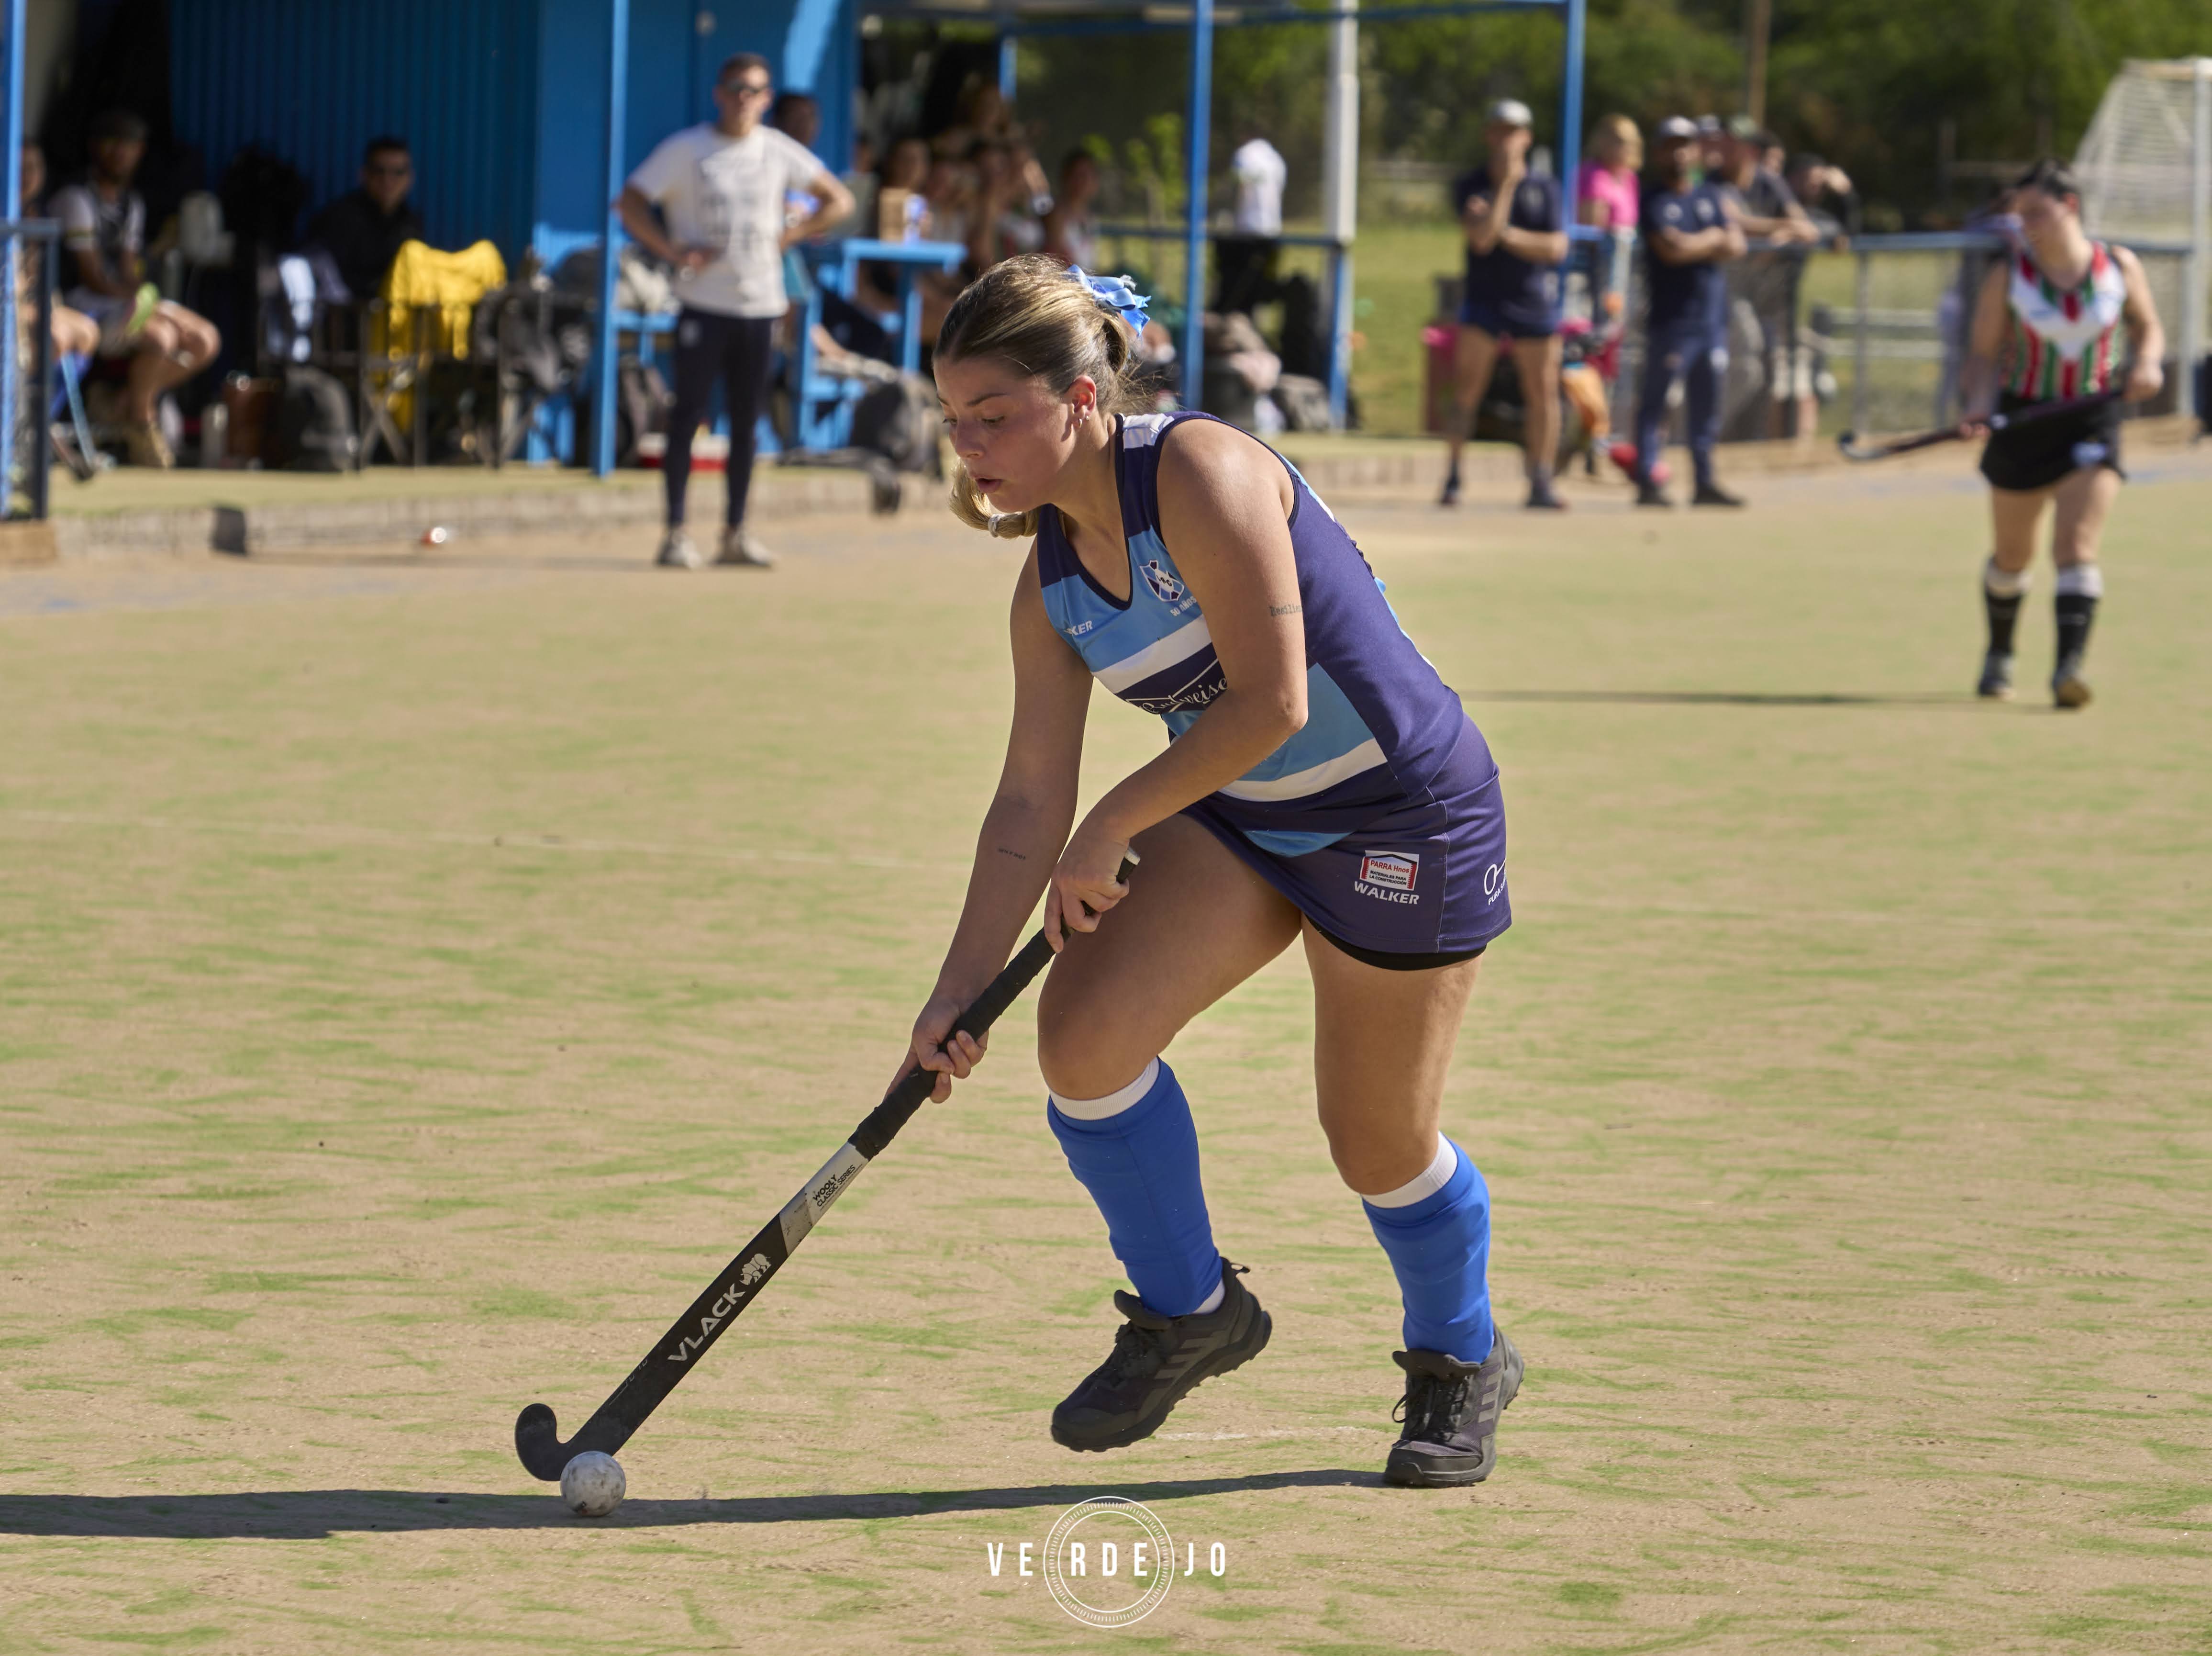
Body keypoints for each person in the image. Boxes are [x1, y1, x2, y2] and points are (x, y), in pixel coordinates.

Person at [915, 255, 1521, 1486]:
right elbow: (1030, 801)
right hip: (1244, 812)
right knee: (1080, 1039)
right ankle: (1190, 1311)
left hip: (1400, 815)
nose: (968, 445)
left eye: (995, 416)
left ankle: (1459, 1357)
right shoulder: (1049, 586)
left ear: (1083, 398)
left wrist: (1110, 826)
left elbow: (1274, 703)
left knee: (1375, 1140)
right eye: (952, 419)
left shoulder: (1199, 469)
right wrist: (955, 993)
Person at [620, 54, 854, 571]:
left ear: (767, 99)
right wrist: (672, 250)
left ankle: (736, 531)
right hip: (703, 304)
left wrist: (787, 236)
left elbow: (838, 199)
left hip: (760, 305)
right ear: (718, 94)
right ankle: (676, 532)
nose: (743, 99)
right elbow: (631, 202)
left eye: (754, 90)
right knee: (686, 418)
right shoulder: (688, 149)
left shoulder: (776, 151)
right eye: (734, 89)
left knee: (747, 424)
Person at [1959, 159, 2163, 709]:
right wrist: (1978, 406)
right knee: (2012, 557)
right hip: (2024, 419)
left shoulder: (2117, 266)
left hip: (2091, 419)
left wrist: (2147, 363)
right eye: (2019, 212)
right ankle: (2000, 652)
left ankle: (2067, 670)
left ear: (2069, 207)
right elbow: (1982, 355)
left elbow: (2148, 327)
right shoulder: (2011, 275)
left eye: (2036, 212)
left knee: (2075, 546)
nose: (2025, 222)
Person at [49, 109, 222, 469]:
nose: (120, 153)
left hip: (118, 306)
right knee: (161, 338)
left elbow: (128, 270)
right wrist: (137, 301)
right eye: (112, 143)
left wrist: (144, 298)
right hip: (83, 307)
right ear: (95, 147)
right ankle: (142, 422)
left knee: (205, 338)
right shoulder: (74, 198)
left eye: (129, 145)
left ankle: (120, 406)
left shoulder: (133, 203)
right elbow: (93, 276)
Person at [1442, 99, 1569, 511]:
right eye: (1499, 130)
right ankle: (1453, 476)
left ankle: (1541, 480)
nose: (1506, 140)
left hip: (1532, 304)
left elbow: (1555, 247)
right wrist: (1505, 188)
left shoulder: (1547, 188)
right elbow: (1479, 240)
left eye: (1514, 132)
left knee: (1542, 392)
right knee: (1467, 389)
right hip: (1483, 303)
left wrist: (1505, 233)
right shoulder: (1472, 185)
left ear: (1527, 138)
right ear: (1487, 135)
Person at [1632, 116, 1746, 508]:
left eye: (1686, 144)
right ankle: (1647, 478)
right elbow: (1671, 251)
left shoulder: (1709, 196)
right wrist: (1712, 240)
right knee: (1658, 400)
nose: (1679, 153)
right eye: (1671, 145)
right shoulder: (1654, 200)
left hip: (1710, 320)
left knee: (1706, 403)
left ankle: (1704, 480)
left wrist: (1707, 239)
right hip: (1672, 320)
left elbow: (1736, 243)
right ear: (1658, 151)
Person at [302, 136, 424, 300]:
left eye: (398, 172)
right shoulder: (340, 219)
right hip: (348, 318)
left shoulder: (411, 223)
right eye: (379, 171)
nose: (388, 181)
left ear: (409, 179)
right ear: (364, 175)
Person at [1216, 129, 1287, 317]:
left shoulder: (1243, 155)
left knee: (1235, 289)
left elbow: (1237, 189)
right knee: (1256, 289)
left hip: (1244, 232)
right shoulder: (1275, 159)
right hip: (1270, 232)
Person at [1042, 148, 1101, 270]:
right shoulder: (1057, 216)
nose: (1085, 181)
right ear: (1066, 177)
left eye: (1090, 175)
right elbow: (1058, 259)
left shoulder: (1089, 217)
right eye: (1080, 175)